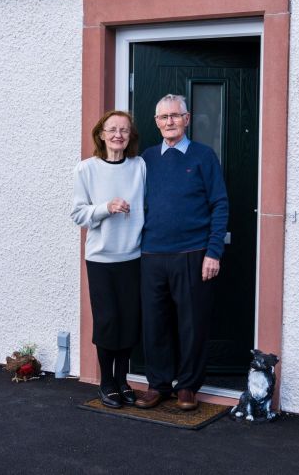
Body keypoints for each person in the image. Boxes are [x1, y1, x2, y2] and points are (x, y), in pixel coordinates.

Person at [135, 94, 228, 412]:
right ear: (157, 122)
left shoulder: (204, 156)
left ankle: (188, 386)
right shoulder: (146, 159)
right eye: (163, 117)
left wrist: (213, 252)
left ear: (187, 119)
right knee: (155, 323)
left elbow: (220, 204)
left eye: (175, 116)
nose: (169, 122)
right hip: (151, 254)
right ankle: (158, 384)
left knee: (192, 323)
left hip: (193, 253)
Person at [71, 110, 145, 409]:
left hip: (133, 256)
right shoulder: (85, 170)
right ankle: (106, 382)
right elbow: (77, 214)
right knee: (107, 320)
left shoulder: (139, 167)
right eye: (112, 129)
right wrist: (105, 207)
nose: (118, 135)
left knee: (129, 320)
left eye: (124, 130)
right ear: (101, 134)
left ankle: (123, 379)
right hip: (101, 259)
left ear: (130, 137)